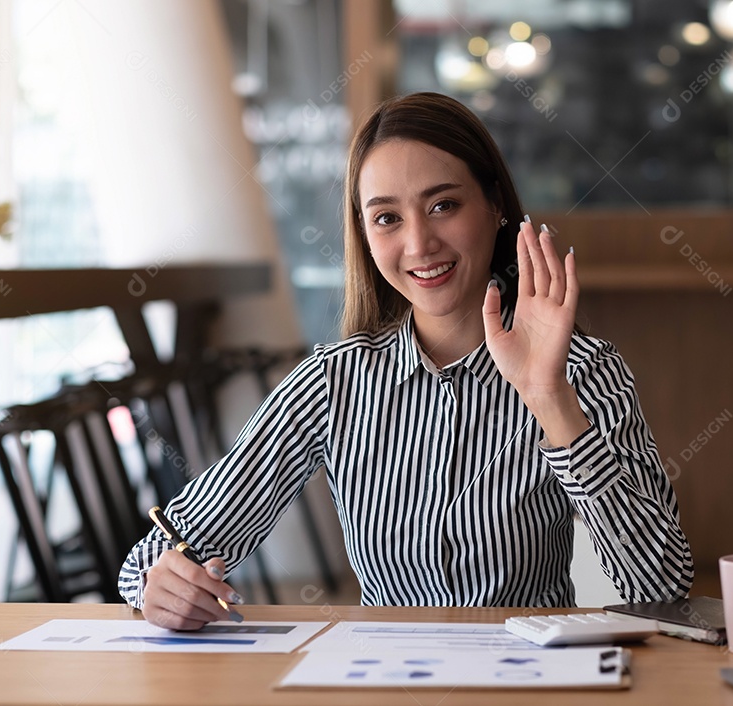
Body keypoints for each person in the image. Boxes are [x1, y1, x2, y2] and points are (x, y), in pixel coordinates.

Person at [119, 92, 693, 629]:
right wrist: (158, 583)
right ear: (366, 235)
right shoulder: (334, 379)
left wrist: (549, 398)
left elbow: (662, 586)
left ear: (495, 205)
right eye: (388, 218)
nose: (418, 245)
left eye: (443, 205)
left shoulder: (583, 370)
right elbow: (156, 555)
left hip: (525, 682)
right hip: (386, 679)